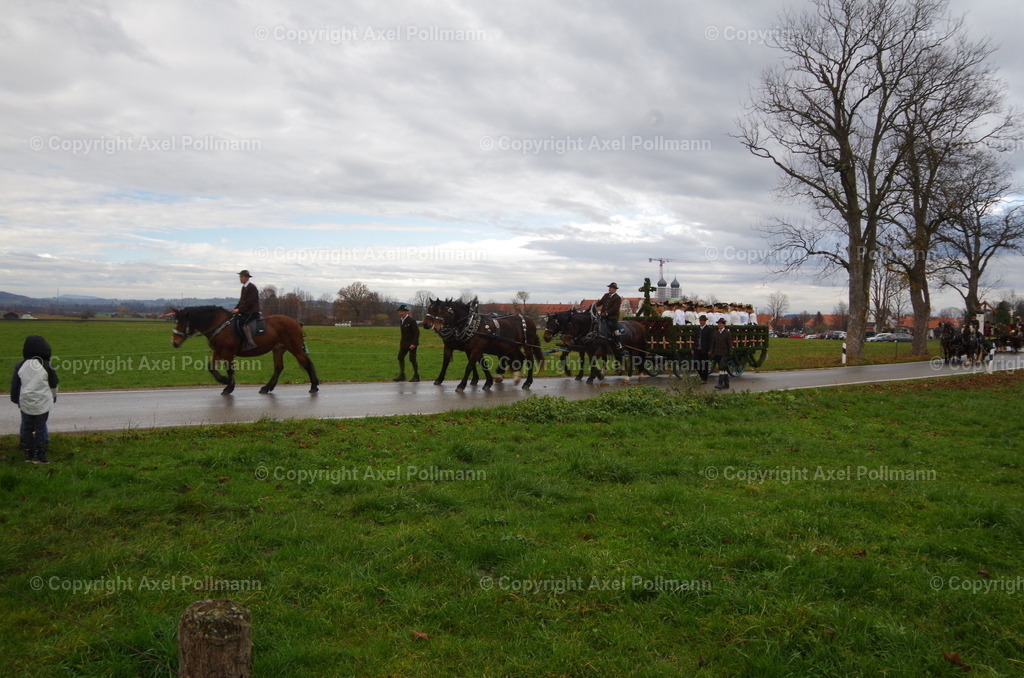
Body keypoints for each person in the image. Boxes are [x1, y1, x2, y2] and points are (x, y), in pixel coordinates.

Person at [10, 335, 59, 463]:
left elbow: (15, 385)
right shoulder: (48, 365)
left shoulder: (20, 365)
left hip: (25, 402)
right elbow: (54, 384)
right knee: (40, 428)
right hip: (42, 403)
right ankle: (39, 454)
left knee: (27, 427)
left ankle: (28, 453)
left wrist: (15, 399)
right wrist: (53, 397)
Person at [231, 269, 260, 351]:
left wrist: (239, 310)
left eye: (241, 277)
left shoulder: (252, 287)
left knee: (242, 323)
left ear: (247, 277)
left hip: (252, 311)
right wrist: (235, 308)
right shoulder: (244, 287)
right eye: (240, 277)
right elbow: (241, 301)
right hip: (245, 310)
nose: (240, 278)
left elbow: (249, 302)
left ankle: (251, 343)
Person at [394, 305, 420, 382]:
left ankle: (416, 376)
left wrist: (414, 344)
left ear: (406, 312)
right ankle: (402, 375)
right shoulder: (401, 320)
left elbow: (416, 332)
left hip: (411, 344)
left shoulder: (411, 320)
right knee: (400, 357)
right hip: (404, 344)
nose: (400, 313)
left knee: (412, 359)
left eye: (402, 312)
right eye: (399, 312)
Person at [595, 282, 622, 350]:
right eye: (609, 288)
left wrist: (606, 313)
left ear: (615, 289)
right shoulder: (606, 295)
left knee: (615, 328)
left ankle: (618, 342)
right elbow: (600, 302)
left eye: (611, 288)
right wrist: (594, 305)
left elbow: (615, 308)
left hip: (612, 317)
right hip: (603, 317)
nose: (610, 289)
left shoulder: (617, 298)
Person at [711, 317, 733, 389]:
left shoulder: (727, 332)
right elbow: (713, 344)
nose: (719, 325)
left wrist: (730, 353)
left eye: (721, 324)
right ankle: (727, 384)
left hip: (725, 353)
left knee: (721, 367)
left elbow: (729, 344)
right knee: (724, 368)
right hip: (718, 353)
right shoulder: (715, 333)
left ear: (724, 325)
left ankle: (720, 383)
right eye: (718, 324)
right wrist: (712, 352)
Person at [694, 314, 714, 383]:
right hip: (697, 349)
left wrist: (710, 350)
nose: (701, 322)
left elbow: (711, 340)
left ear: (705, 321)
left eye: (703, 320)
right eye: (700, 320)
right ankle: (701, 375)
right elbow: (695, 339)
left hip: (705, 350)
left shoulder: (708, 329)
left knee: (705, 364)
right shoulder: (697, 329)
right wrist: (693, 349)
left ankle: (704, 379)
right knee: (696, 364)